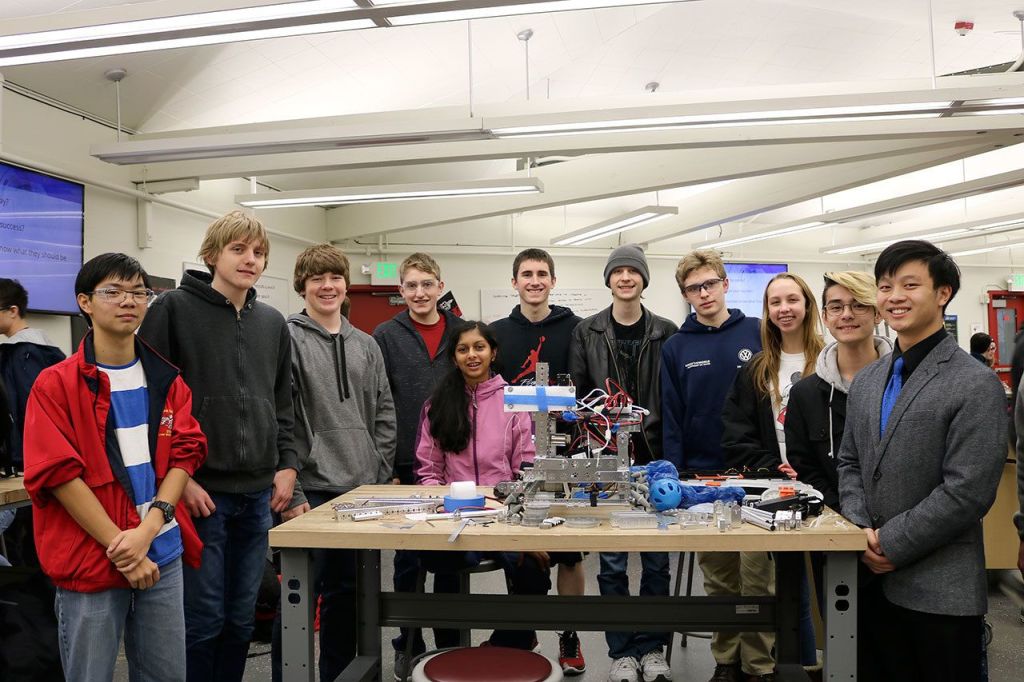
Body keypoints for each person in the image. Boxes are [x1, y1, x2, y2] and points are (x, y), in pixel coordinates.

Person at [22, 253, 207, 682]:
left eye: (139, 292)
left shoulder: (167, 378)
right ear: (85, 302)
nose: (128, 301)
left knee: (166, 674)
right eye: (113, 292)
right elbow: (59, 473)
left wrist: (147, 531)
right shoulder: (57, 384)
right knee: (91, 674)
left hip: (160, 551)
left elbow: (184, 453)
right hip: (92, 555)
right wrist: (122, 547)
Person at [139, 211, 298, 682]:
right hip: (199, 494)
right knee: (202, 621)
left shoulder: (272, 322)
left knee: (241, 619)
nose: (251, 260)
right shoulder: (172, 310)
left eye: (259, 253)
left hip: (258, 496)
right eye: (239, 250)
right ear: (212, 255)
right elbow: (152, 407)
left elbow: (282, 403)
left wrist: (287, 465)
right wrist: (176, 481)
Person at [837, 240, 1006, 682]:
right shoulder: (870, 379)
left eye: (910, 285)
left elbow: (966, 491)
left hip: (940, 589)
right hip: (870, 582)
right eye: (886, 286)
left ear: (943, 293)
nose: (895, 296)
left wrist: (891, 543)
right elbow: (850, 463)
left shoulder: (974, 383)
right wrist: (863, 533)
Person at [270, 244, 396, 682]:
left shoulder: (367, 344)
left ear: (346, 286)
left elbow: (384, 412)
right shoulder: (285, 338)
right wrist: (294, 491)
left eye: (335, 278)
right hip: (312, 492)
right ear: (301, 286)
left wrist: (378, 476)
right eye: (317, 279)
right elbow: (280, 417)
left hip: (362, 492)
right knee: (298, 602)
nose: (327, 286)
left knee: (349, 600)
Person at [569, 244, 677, 682]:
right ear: (609, 279)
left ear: (644, 280)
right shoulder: (587, 331)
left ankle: (653, 649)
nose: (626, 278)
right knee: (611, 562)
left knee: (656, 561)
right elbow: (578, 397)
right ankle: (621, 652)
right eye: (619, 271)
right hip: (605, 459)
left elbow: (673, 400)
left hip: (656, 458)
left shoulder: (666, 331)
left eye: (634, 271)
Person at [415, 320, 551, 650]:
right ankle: (449, 652)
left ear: (493, 352)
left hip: (505, 514)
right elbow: (428, 469)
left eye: (479, 347)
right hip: (456, 517)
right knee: (443, 565)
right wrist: (442, 505)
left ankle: (508, 644)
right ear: (454, 357)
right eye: (463, 349)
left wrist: (523, 523)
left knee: (535, 569)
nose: (472, 355)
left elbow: (525, 468)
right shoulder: (437, 405)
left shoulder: (513, 403)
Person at [659, 250, 761, 682]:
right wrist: (676, 475)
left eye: (710, 284)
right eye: (693, 288)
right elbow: (672, 415)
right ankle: (726, 661)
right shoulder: (676, 346)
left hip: (758, 474)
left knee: (758, 577)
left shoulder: (759, 333)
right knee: (719, 578)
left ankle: (760, 665)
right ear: (685, 295)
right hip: (702, 478)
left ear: (725, 284)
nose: (704, 294)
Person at [720, 272, 825, 680]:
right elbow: (736, 432)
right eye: (775, 302)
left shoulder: (829, 362)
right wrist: (771, 467)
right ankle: (796, 662)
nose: (784, 309)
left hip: (825, 488)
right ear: (766, 312)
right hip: (776, 489)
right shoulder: (757, 370)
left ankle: (828, 659)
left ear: (807, 305)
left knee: (829, 578)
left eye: (792, 299)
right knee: (787, 578)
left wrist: (812, 470)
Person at [490, 247, 586, 676]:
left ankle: (570, 634)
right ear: (514, 282)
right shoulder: (497, 332)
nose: (534, 280)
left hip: (567, 453)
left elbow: (587, 392)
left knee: (570, 553)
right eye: (526, 274)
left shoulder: (576, 329)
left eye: (542, 273)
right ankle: (522, 631)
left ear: (552, 280)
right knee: (520, 548)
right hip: (512, 459)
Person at [372, 252, 459, 676]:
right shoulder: (385, 336)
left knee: (449, 558)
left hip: (456, 466)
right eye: (411, 285)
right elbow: (378, 402)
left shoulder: (462, 332)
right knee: (408, 561)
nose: (420, 293)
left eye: (428, 284)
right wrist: (385, 462)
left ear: (440, 287)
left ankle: (451, 644)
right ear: (401, 290)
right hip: (404, 463)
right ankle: (408, 641)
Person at [785, 272, 892, 511]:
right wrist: (848, 516)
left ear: (878, 313)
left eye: (859, 305)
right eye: (836, 307)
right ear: (824, 316)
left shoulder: (906, 384)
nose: (846, 314)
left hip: (902, 527)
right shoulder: (805, 395)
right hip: (836, 525)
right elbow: (806, 468)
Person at [0, 277, 66, 472]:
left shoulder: (25, 352)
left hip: (33, 458)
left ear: (13, 311)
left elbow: (31, 407)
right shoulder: (35, 349)